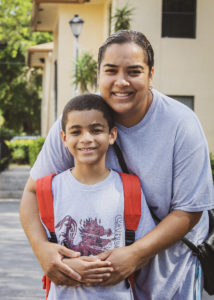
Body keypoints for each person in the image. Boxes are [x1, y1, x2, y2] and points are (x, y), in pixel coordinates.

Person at [20, 30, 214, 300]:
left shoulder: (182, 124)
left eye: (134, 71)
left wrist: (135, 254)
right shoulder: (80, 120)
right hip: (103, 286)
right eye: (111, 70)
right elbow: (32, 192)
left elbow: (189, 211)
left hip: (171, 274)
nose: (121, 82)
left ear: (151, 74)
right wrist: (42, 249)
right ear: (98, 74)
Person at [35, 93, 155, 300]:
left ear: (112, 135)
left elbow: (142, 251)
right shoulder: (49, 189)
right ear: (64, 138)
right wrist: (65, 266)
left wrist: (106, 267)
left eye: (96, 130)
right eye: (76, 131)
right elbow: (45, 249)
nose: (86, 139)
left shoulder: (130, 189)